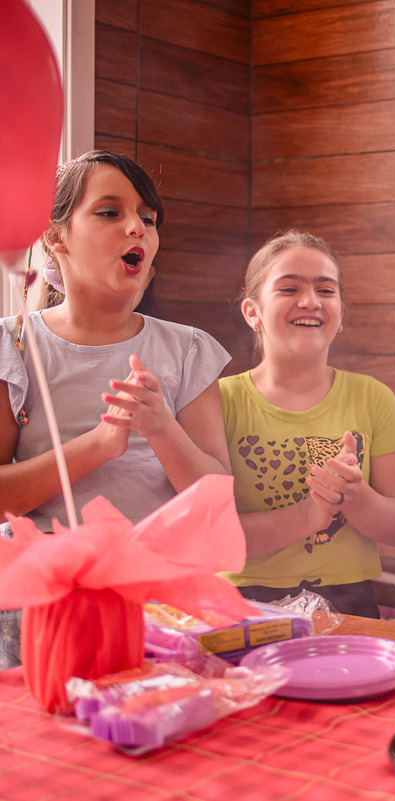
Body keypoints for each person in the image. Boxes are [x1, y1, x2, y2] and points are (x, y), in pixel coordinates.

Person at [0, 150, 231, 666]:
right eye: (110, 212)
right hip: (47, 606)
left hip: (161, 600)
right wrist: (100, 445)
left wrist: (162, 429)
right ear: (55, 237)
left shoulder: (189, 350)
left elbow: (216, 500)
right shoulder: (14, 345)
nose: (137, 229)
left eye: (148, 218)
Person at [220, 231, 395, 618]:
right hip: (241, 609)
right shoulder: (219, 401)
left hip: (350, 607)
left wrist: (355, 497)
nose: (310, 301)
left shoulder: (374, 397)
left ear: (340, 312)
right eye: (289, 288)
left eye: (326, 290)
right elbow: (210, 535)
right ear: (252, 312)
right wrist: (309, 514)